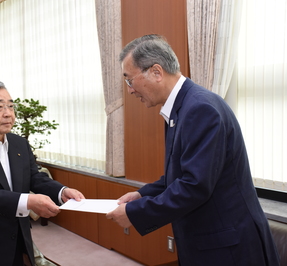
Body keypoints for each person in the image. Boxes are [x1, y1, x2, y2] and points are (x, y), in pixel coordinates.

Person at [106, 34, 280, 265]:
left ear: (156, 72)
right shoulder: (184, 106)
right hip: (213, 239)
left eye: (130, 80)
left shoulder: (199, 108)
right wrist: (141, 194)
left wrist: (137, 212)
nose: (129, 90)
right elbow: (180, 174)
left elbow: (194, 186)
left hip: (228, 246)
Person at [0, 80, 85, 266]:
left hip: (17, 239)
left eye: (11, 106)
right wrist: (29, 201)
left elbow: (34, 177)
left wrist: (61, 191)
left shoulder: (19, 143)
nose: (8, 113)